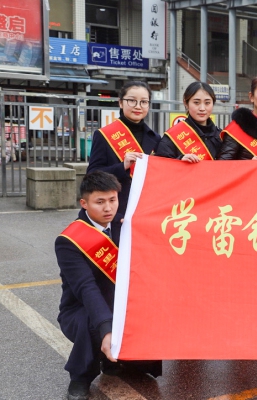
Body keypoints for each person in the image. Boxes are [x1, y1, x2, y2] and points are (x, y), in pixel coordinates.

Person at [56, 171, 161, 400]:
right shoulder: (68, 241)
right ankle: (80, 377)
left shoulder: (125, 225)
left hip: (120, 302)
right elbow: (86, 288)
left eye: (113, 200)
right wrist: (107, 328)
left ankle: (122, 360)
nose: (108, 208)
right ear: (84, 203)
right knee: (91, 322)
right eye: (100, 202)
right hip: (80, 308)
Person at [87, 81, 161, 214]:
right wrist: (123, 166)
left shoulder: (155, 138)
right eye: (132, 101)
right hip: (117, 210)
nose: (138, 106)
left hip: (147, 208)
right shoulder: (104, 135)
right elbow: (92, 176)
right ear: (120, 103)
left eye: (144, 102)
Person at [155, 81, 222, 162]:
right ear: (186, 103)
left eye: (207, 103)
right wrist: (180, 161)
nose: (202, 108)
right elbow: (160, 165)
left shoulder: (221, 137)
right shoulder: (172, 138)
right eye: (196, 103)